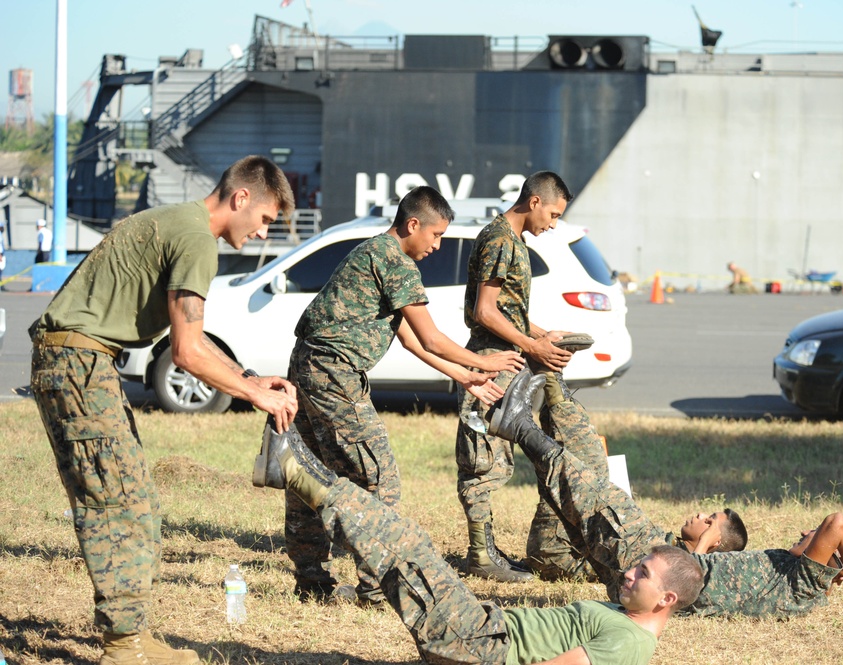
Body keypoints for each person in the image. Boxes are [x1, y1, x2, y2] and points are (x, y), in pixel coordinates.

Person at [30, 156, 299, 665]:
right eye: (265, 219)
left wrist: (247, 376)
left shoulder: (182, 223)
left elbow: (192, 339)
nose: (264, 233)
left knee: (138, 501)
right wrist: (256, 395)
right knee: (117, 505)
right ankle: (123, 648)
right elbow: (187, 353)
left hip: (82, 362)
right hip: (78, 364)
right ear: (241, 198)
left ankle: (134, 635)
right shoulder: (197, 240)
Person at [253, 410, 705, 665]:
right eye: (635, 565)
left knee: (404, 546)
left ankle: (293, 470)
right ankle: (295, 469)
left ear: (666, 599)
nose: (626, 572)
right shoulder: (624, 616)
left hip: (481, 644)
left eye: (641, 573)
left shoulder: (630, 643)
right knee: (405, 550)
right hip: (482, 629)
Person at [283, 185, 524, 606]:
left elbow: (413, 342)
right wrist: (484, 362)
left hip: (308, 365)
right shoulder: (396, 262)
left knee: (308, 471)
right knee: (378, 480)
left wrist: (464, 376)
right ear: (413, 224)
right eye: (435, 236)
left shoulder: (374, 251)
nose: (437, 245)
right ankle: (376, 590)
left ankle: (312, 582)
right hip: (333, 372)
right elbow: (431, 337)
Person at [490, 370, 843, 618]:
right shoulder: (802, 588)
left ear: (826, 560)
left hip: (663, 574)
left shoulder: (805, 579)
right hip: (662, 574)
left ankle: (519, 424)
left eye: (811, 537)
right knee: (583, 493)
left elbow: (837, 523)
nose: (803, 534)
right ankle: (534, 409)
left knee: (593, 492)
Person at [454, 171, 576, 582]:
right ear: (535, 201)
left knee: (496, 459)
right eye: (554, 214)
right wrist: (531, 346)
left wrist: (544, 336)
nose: (553, 224)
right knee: (482, 460)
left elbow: (509, 312)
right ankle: (480, 556)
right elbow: (484, 312)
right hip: (489, 363)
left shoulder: (513, 241)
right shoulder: (501, 239)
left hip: (505, 359)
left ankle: (484, 551)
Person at [525, 369, 748, 581]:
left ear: (714, 541)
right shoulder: (669, 546)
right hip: (572, 537)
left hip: (558, 552)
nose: (700, 514)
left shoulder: (674, 567)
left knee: (588, 459)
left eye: (708, 521)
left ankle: (536, 404)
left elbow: (681, 582)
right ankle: (549, 387)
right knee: (589, 461)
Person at [680, 512, 843, 618]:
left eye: (814, 533)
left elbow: (837, 523)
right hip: (683, 576)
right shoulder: (806, 587)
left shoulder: (805, 583)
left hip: (682, 576)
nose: (804, 532)